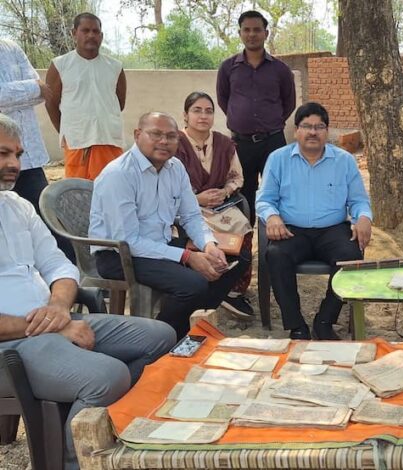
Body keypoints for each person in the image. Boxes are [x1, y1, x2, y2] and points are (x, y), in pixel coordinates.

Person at [0, 113, 176, 470]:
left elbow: (59, 265)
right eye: (3, 153)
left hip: (51, 321)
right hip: (11, 344)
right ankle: (74, 462)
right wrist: (53, 326)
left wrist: (58, 307)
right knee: (108, 376)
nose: (14, 164)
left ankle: (108, 431)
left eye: (17, 154)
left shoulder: (17, 206)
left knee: (160, 337)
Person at [90, 112, 250, 339]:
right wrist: (187, 257)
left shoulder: (175, 168)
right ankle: (157, 339)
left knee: (235, 258)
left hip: (160, 244)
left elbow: (191, 216)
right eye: (156, 134)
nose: (164, 141)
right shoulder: (119, 174)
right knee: (193, 284)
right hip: (119, 255)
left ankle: (180, 328)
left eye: (171, 136)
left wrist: (209, 245)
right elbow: (129, 241)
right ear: (137, 135)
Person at [257, 102, 371, 340]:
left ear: (327, 131)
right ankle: (296, 325)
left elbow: (359, 200)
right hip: (291, 231)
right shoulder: (278, 159)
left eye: (319, 127)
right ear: (296, 131)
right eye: (306, 126)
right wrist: (272, 216)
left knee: (351, 255)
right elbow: (264, 199)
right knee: (276, 255)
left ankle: (325, 321)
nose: (312, 132)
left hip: (332, 230)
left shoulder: (344, 160)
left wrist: (363, 217)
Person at [176, 91, 254, 318]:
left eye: (208, 111)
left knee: (242, 227)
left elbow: (236, 177)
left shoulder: (224, 143)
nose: (203, 116)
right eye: (197, 110)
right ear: (185, 115)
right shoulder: (175, 143)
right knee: (198, 233)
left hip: (219, 205)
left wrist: (225, 191)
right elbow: (167, 186)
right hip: (186, 207)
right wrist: (196, 199)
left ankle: (233, 290)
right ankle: (204, 286)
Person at [217, 10, 296, 225]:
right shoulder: (228, 68)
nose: (252, 34)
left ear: (266, 33)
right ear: (240, 33)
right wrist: (240, 120)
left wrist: (272, 123)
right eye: (247, 30)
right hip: (241, 144)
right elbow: (224, 100)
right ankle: (245, 239)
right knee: (243, 192)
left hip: (273, 141)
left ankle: (276, 238)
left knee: (279, 190)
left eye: (257, 30)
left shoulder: (280, 69)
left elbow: (289, 103)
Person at [0, 39, 75, 261]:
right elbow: (36, 88)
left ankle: (71, 274)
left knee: (51, 224)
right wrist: (32, 88)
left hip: (28, 156)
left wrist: (32, 90)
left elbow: (45, 92)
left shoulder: (11, 47)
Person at [45, 12, 126, 180]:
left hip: (108, 138)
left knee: (112, 185)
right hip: (77, 140)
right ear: (74, 33)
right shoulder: (60, 65)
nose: (91, 35)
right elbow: (51, 103)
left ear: (101, 36)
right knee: (78, 191)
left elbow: (120, 103)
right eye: (85, 30)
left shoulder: (115, 66)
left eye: (96, 31)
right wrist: (67, 129)